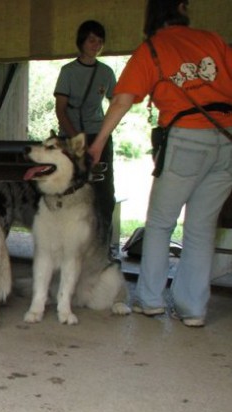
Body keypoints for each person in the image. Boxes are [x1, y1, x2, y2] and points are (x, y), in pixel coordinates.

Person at [88, 0, 232, 327]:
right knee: (200, 228)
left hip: (186, 138)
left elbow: (123, 99)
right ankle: (193, 309)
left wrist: (97, 143)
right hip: (226, 140)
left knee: (160, 222)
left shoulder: (153, 48)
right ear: (182, 8)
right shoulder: (212, 40)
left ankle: (151, 300)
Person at [54, 20, 117, 246]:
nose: (96, 45)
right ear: (82, 41)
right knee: (70, 192)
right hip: (71, 137)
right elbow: (61, 110)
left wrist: (103, 133)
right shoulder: (68, 71)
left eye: (100, 42)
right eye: (92, 40)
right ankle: (67, 244)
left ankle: (101, 246)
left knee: (103, 194)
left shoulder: (106, 72)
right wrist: (75, 139)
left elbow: (117, 103)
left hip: (98, 137)